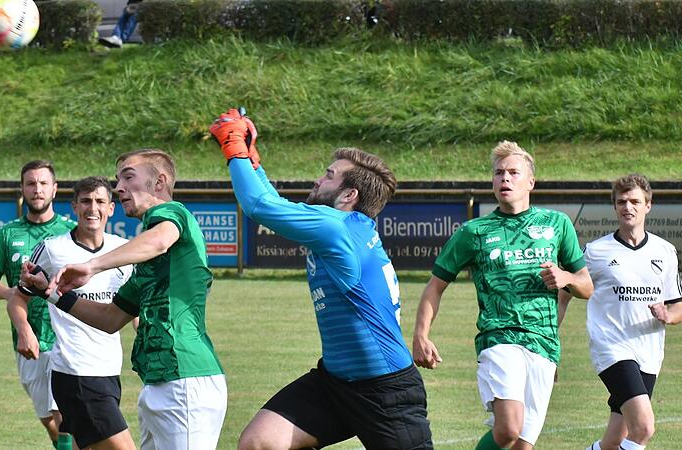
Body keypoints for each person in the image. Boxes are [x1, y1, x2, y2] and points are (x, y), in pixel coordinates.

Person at [210, 108, 434, 450]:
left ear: (348, 196)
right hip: (335, 382)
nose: (318, 180)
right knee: (259, 443)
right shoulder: (347, 227)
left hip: (386, 391)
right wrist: (253, 161)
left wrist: (233, 145)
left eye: (329, 176)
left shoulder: (336, 228)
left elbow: (259, 205)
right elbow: (272, 201)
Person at [412, 141, 593, 450]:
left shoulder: (557, 224)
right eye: (498, 173)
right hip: (500, 338)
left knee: (523, 443)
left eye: (513, 172)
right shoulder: (474, 232)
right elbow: (435, 285)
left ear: (531, 182)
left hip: (545, 343)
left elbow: (586, 286)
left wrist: (564, 278)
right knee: (508, 428)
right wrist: (421, 335)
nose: (504, 179)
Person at [44, 149, 227, 450]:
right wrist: (51, 294)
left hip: (186, 380)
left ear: (160, 182)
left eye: (128, 177)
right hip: (157, 383)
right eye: (118, 180)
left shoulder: (173, 214)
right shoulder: (147, 264)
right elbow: (110, 318)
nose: (118, 188)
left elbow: (158, 240)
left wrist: (92, 266)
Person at [8, 176, 136, 450]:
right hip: (75, 371)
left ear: (111, 208)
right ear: (74, 207)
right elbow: (18, 297)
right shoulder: (53, 250)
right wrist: (24, 330)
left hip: (110, 370)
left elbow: (130, 307)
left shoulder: (122, 251)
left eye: (100, 201)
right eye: (86, 201)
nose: (93, 208)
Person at [556, 174, 682, 450]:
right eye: (622, 202)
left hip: (649, 351)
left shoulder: (665, 251)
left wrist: (668, 315)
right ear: (614, 206)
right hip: (612, 347)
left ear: (648, 205)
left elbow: (677, 304)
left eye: (635, 201)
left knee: (613, 440)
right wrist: (550, 341)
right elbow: (563, 295)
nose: (628, 207)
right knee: (643, 427)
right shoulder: (596, 252)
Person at [0, 160, 76, 448]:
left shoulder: (70, 231)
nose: (38, 189)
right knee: (48, 418)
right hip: (27, 340)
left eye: (44, 183)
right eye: (31, 184)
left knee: (66, 414)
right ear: (22, 189)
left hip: (65, 338)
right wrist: (13, 294)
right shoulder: (9, 234)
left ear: (55, 189)